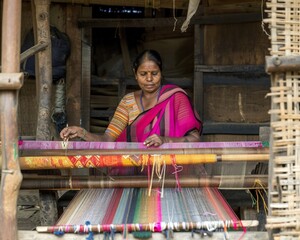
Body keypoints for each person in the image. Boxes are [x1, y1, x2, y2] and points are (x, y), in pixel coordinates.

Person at [60, 49, 202, 147]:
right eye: (143, 74)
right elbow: (108, 140)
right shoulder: (128, 102)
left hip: (170, 175)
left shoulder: (176, 98)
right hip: (135, 175)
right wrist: (81, 132)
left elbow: (195, 139)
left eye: (154, 73)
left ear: (161, 73)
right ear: (135, 74)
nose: (149, 79)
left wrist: (165, 140)